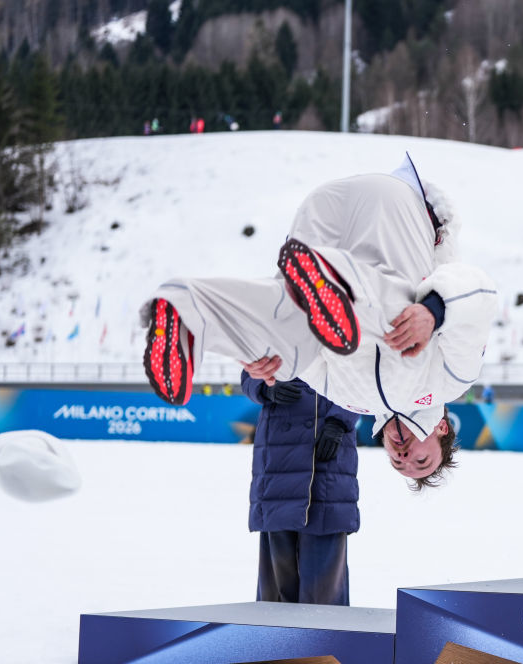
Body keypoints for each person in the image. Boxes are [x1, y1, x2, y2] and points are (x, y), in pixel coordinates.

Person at [142, 156, 498, 488]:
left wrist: (270, 359)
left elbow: (307, 357)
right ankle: (335, 279)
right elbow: (479, 294)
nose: (404, 457)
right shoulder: (451, 381)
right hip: (393, 210)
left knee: (290, 330)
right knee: (399, 327)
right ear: (441, 427)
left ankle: (191, 314)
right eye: (421, 461)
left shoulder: (353, 400)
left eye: (397, 464)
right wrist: (432, 311)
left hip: (321, 212)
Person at [241, 371, 359, 605]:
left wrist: (339, 420)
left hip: (326, 464)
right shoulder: (270, 333)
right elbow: (247, 374)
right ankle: (273, 642)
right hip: (277, 463)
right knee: (275, 596)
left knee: (325, 597)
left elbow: (363, 378)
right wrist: (264, 388)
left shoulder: (349, 334)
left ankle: (327, 641)